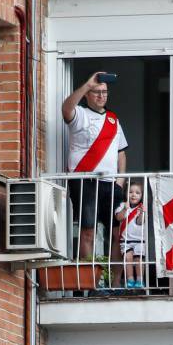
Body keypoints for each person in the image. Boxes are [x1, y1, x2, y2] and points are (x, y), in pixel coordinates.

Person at [61, 71, 128, 261]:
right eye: (96, 92)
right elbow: (66, 109)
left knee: (117, 234)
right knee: (88, 231)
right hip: (85, 181)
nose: (101, 96)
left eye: (104, 92)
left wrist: (120, 181)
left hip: (110, 184)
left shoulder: (114, 120)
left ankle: (115, 285)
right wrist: (86, 85)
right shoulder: (80, 114)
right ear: (88, 95)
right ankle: (89, 285)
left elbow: (121, 153)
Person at [115, 180, 146, 288]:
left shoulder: (141, 208)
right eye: (131, 192)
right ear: (126, 193)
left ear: (141, 196)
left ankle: (140, 280)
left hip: (139, 240)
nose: (134, 195)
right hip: (126, 240)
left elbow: (140, 222)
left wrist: (142, 213)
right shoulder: (122, 205)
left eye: (137, 193)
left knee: (138, 259)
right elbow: (119, 217)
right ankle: (130, 279)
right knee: (128, 259)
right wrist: (125, 209)